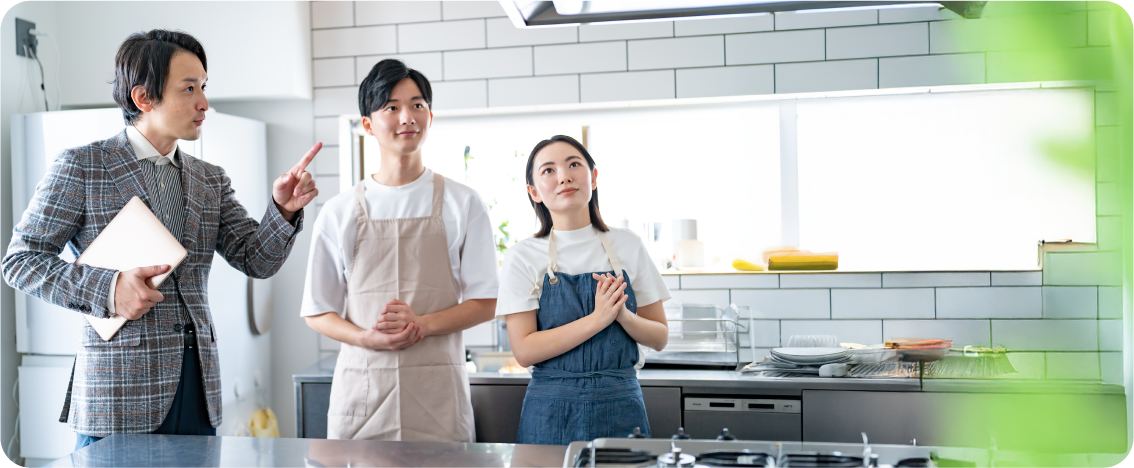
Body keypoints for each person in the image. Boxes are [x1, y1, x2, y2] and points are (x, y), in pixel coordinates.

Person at [2, 30, 320, 449]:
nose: (204, 102)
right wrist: (111, 289)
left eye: (203, 87)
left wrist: (282, 211)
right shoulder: (83, 166)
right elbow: (20, 261)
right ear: (142, 98)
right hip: (119, 395)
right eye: (189, 88)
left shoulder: (211, 179)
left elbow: (255, 260)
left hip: (199, 388)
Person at [300, 59, 499, 442]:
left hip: (438, 396)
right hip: (362, 392)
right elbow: (318, 311)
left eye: (417, 105)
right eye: (391, 107)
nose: (407, 116)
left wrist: (419, 326)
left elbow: (486, 301)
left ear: (430, 115)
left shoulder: (464, 202)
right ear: (368, 124)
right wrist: (366, 339)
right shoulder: (339, 211)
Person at [496, 135, 670, 445]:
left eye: (573, 164)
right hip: (550, 411)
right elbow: (524, 351)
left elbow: (659, 336)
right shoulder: (522, 256)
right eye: (548, 170)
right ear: (534, 192)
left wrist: (623, 317)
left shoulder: (628, 244)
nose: (563, 176)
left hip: (621, 406)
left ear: (593, 176)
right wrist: (598, 318)